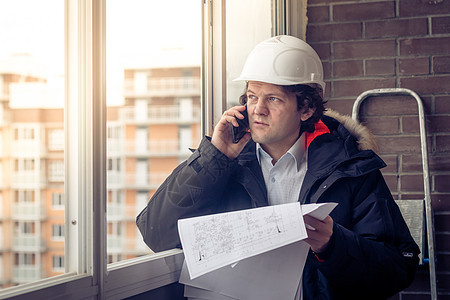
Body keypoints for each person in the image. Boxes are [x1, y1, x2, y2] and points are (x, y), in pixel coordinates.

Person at [137, 35, 419, 299]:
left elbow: (400, 267)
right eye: (251, 96)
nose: (257, 109)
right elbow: (156, 234)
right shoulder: (223, 166)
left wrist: (333, 245)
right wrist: (215, 156)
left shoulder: (351, 169)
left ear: (306, 109)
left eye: (273, 99)